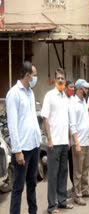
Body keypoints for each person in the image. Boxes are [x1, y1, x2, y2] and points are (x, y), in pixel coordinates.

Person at [7, 61, 41, 214]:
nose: (35, 78)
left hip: (34, 145)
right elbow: (13, 124)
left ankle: (32, 211)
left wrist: (38, 139)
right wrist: (17, 150)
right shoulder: (14, 94)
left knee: (32, 183)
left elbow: (32, 117)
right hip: (22, 149)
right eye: (34, 75)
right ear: (27, 76)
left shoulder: (30, 92)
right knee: (18, 188)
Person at [41, 68, 73, 213]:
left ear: (65, 80)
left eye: (63, 78)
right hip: (53, 143)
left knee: (63, 173)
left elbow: (66, 120)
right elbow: (45, 119)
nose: (61, 80)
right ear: (55, 80)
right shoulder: (50, 96)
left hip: (64, 142)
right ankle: (52, 206)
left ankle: (62, 201)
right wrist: (49, 139)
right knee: (53, 175)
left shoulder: (65, 98)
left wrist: (68, 139)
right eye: (58, 78)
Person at [69, 79, 89, 206]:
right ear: (80, 89)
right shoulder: (73, 103)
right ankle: (77, 195)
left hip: (86, 140)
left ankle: (85, 190)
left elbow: (86, 122)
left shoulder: (83, 101)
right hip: (78, 142)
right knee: (78, 171)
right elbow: (72, 125)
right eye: (85, 88)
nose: (87, 90)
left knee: (85, 168)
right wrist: (77, 143)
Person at [65, 80, 75, 195]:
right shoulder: (63, 100)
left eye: (73, 87)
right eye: (70, 87)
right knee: (65, 167)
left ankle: (73, 185)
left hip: (74, 138)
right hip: (65, 137)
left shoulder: (74, 100)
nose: (72, 89)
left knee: (73, 164)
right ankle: (63, 190)